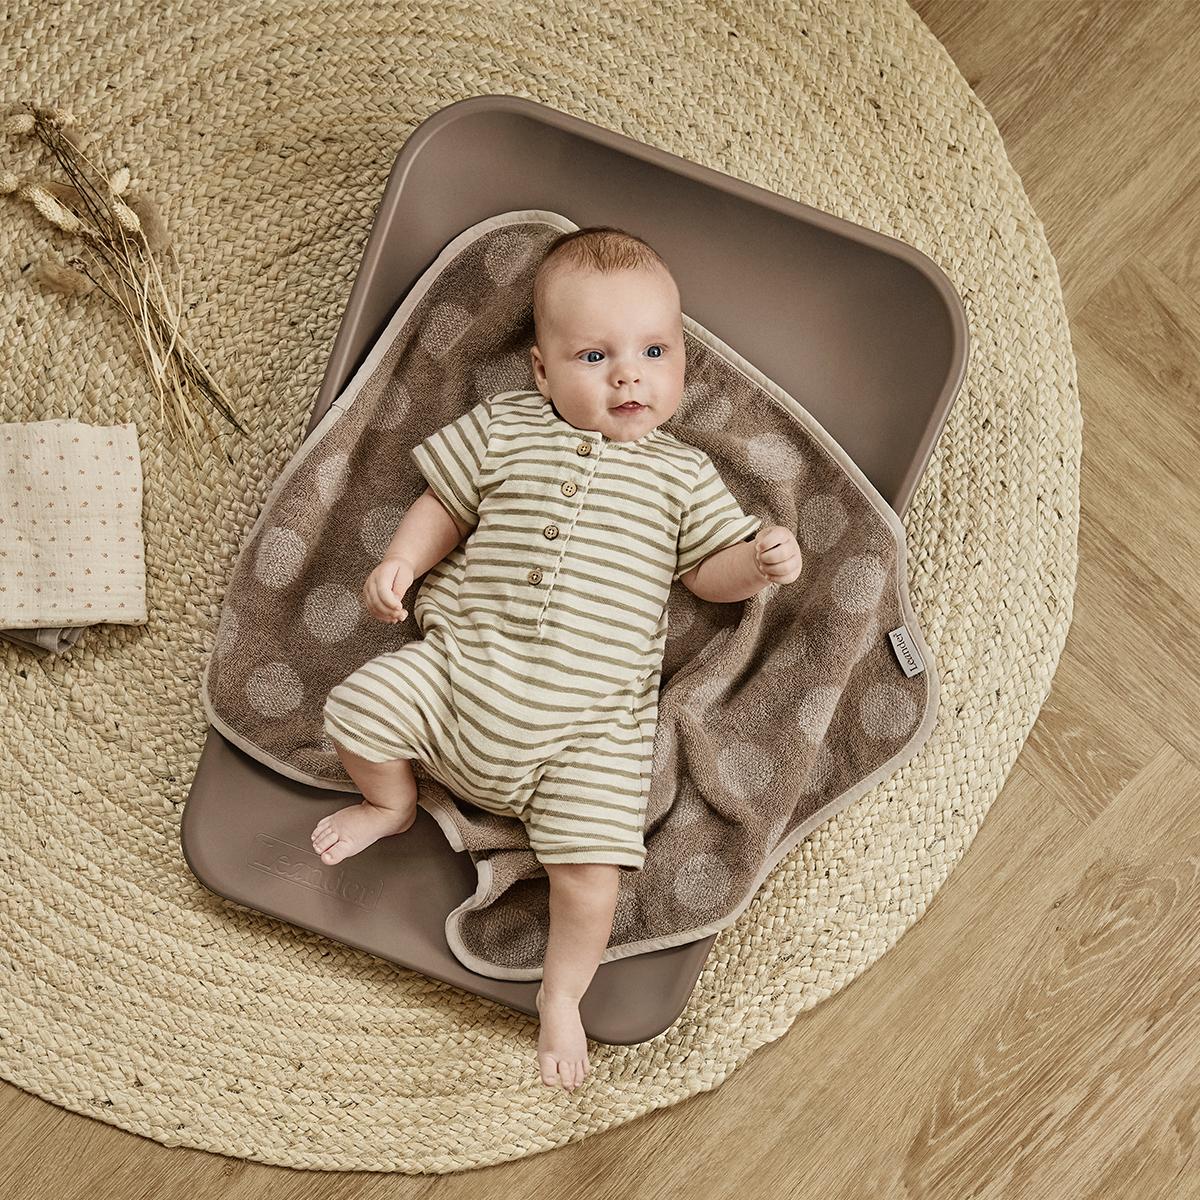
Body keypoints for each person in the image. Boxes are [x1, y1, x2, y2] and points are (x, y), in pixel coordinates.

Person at [315, 226, 804, 1092]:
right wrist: (400, 561)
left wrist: (757, 565)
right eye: (595, 356)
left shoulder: (683, 477)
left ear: (682, 363)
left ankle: (562, 993)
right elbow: (444, 504)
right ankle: (389, 803)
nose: (628, 377)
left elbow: (708, 574)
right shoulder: (506, 426)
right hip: (462, 675)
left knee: (592, 876)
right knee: (358, 707)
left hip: (585, 734)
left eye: (654, 352)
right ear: (541, 373)